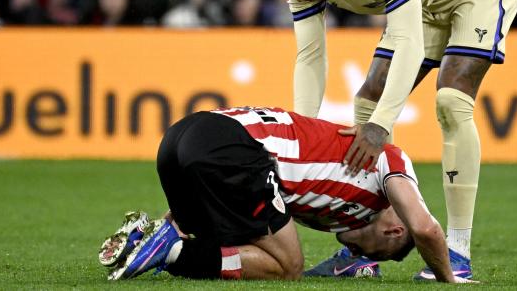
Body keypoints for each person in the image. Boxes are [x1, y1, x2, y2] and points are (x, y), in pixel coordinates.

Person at [260, 0, 517, 280]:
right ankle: (361, 251)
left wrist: (382, 125)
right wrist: (303, 131)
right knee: (367, 101)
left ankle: (458, 253)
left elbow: (409, 42)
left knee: (451, 100)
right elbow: (310, 56)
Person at [101, 106, 471, 283]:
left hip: (180, 137)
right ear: (393, 231)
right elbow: (425, 229)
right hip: (230, 146)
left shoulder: (326, 210)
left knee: (225, 238)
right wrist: (448, 279)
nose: (352, 250)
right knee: (289, 265)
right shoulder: (387, 163)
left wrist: (179, 218)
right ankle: (173, 252)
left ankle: (147, 240)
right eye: (364, 251)